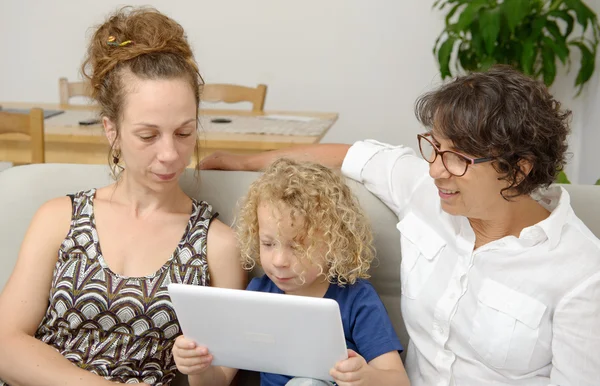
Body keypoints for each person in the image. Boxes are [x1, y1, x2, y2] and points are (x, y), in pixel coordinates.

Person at [197, 65, 600, 385]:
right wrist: (244, 163)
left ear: (517, 170)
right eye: (435, 147)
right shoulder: (425, 189)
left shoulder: (580, 271)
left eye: (457, 158)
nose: (436, 170)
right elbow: (350, 154)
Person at [0, 6, 245, 386]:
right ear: (111, 130)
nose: (170, 154)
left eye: (184, 133)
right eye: (148, 135)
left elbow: (219, 377)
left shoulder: (218, 245)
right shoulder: (59, 218)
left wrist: (199, 368)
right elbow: (4, 343)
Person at [172, 158, 410, 386]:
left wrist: (366, 378)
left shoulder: (357, 299)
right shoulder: (257, 294)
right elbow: (219, 381)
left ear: (334, 243)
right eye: (268, 244)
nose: (279, 261)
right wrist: (198, 367)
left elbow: (398, 381)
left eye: (297, 246)